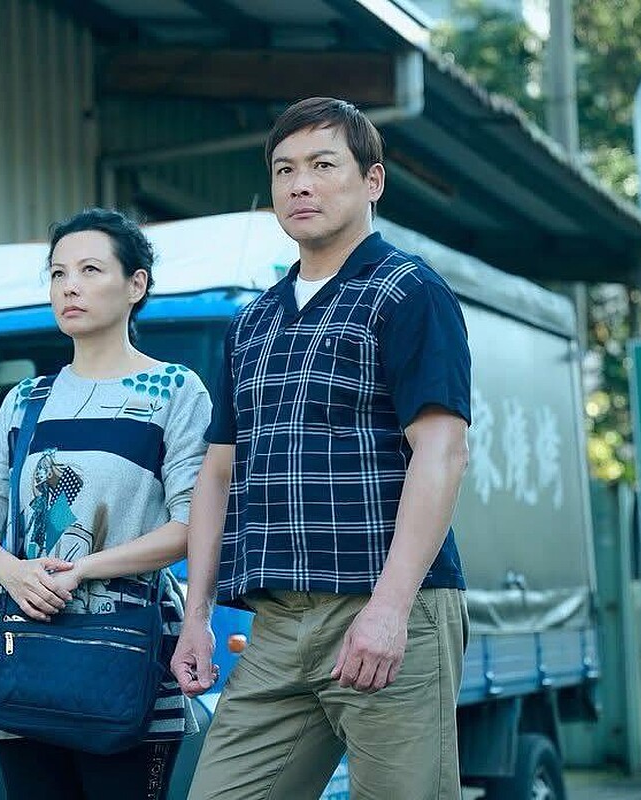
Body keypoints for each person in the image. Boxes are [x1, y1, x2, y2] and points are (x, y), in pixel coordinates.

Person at [172, 97, 473, 800]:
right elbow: (218, 474)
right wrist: (196, 615)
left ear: (372, 181)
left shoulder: (408, 292)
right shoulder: (252, 322)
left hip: (389, 605)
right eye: (284, 170)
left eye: (322, 165)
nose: (300, 184)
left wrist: (390, 609)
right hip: (278, 623)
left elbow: (442, 452)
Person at [0, 208, 212, 800]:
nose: (69, 286)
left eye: (90, 270)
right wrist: (13, 572)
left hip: (126, 654)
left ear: (136, 284)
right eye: (57, 274)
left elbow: (193, 525)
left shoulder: (174, 391)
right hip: (26, 658)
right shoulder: (25, 401)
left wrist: (82, 569)